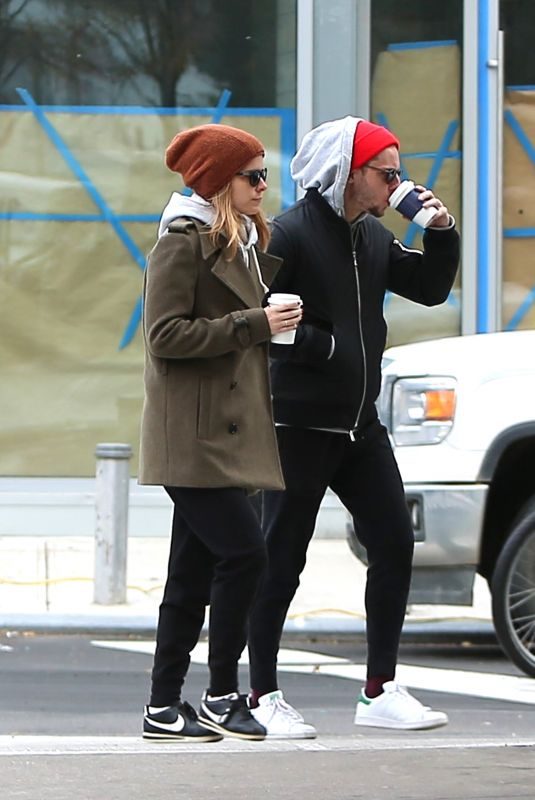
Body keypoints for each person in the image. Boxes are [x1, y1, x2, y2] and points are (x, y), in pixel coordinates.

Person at [247, 116, 460, 737]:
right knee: (281, 559)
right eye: (387, 173)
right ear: (352, 172)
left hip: (358, 426)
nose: (398, 183)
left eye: (400, 172)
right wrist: (327, 347)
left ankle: (379, 689)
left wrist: (442, 232)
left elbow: (428, 289)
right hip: (298, 422)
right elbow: (258, 320)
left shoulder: (369, 236)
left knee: (394, 541)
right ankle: (261, 693)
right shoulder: (287, 232)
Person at [138, 123, 302, 742]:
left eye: (265, 174)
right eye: (251, 175)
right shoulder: (182, 243)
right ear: (218, 181)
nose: (263, 186)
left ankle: (161, 707)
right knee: (245, 553)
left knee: (190, 571)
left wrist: (267, 322)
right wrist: (251, 322)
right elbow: (164, 337)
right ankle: (219, 694)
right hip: (192, 433)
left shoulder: (240, 241)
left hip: (223, 431)